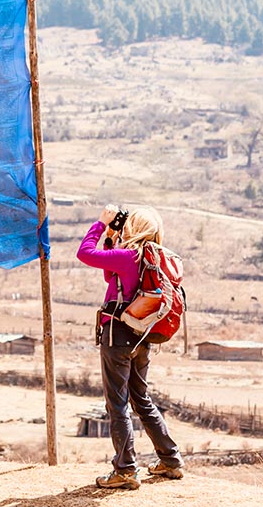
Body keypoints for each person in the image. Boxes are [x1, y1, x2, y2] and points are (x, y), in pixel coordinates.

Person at [76, 204, 184, 490]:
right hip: (142, 336)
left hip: (117, 335)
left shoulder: (129, 256)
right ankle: (170, 461)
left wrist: (100, 224)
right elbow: (111, 278)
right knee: (140, 399)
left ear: (134, 227)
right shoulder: (153, 259)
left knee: (118, 403)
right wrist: (112, 239)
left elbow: (85, 253)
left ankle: (125, 469)